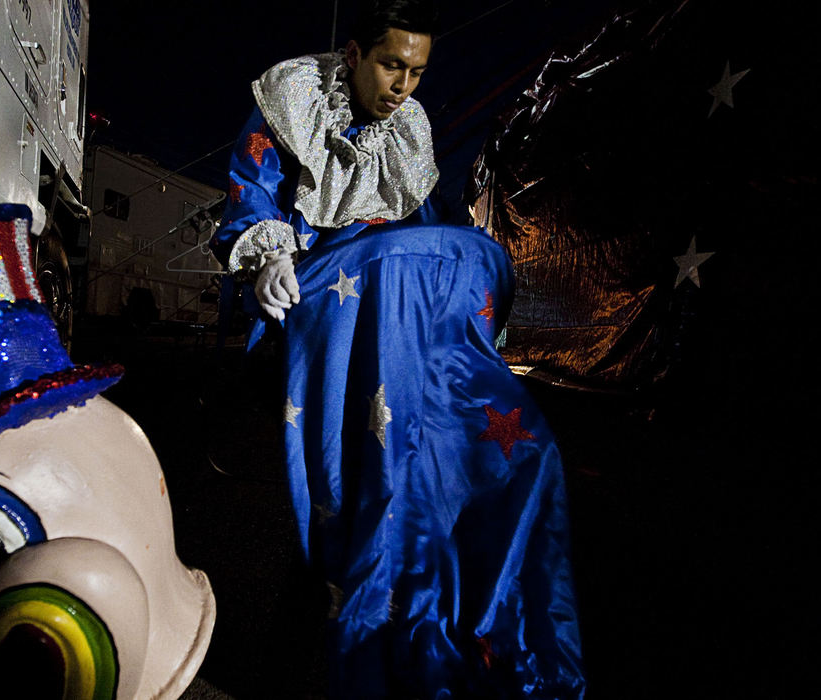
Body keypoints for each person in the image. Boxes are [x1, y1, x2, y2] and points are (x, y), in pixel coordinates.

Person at [211, 2, 586, 697]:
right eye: (391, 65)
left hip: (395, 323)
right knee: (351, 485)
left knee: (462, 457)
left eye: (416, 72)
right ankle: (342, 622)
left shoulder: (408, 131)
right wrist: (265, 256)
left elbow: (425, 233)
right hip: (318, 308)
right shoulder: (290, 104)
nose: (403, 86)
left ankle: (424, 611)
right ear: (353, 54)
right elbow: (250, 196)